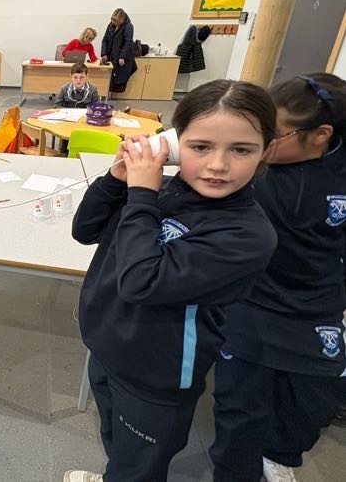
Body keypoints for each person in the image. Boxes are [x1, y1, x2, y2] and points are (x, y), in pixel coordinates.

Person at [64, 79, 278, 482]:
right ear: (175, 144)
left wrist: (141, 195)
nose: (218, 165)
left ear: (265, 151)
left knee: (140, 466)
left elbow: (141, 283)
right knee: (115, 440)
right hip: (108, 345)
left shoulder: (247, 235)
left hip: (155, 375)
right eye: (201, 147)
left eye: (241, 150)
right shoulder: (162, 189)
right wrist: (117, 178)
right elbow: (85, 229)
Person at [210, 73, 346, 482]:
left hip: (316, 304)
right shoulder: (253, 166)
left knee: (311, 403)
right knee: (240, 412)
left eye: (274, 134)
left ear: (321, 135)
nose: (261, 142)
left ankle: (278, 456)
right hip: (251, 300)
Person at [100, 8, 137, 93]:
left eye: (116, 21)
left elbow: (128, 43)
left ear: (121, 19)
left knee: (118, 78)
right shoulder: (111, 25)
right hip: (111, 55)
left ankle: (112, 96)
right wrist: (104, 53)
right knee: (109, 79)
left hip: (121, 56)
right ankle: (107, 95)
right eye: (112, 20)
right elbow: (105, 40)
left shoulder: (128, 26)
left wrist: (122, 57)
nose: (113, 22)